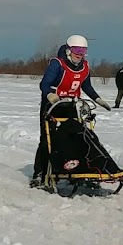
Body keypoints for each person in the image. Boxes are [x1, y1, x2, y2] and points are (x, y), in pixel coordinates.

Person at [31, 34, 112, 188]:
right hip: (52, 104)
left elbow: (86, 86)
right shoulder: (57, 64)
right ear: (69, 50)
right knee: (48, 139)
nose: (79, 54)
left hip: (72, 105)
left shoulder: (85, 66)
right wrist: (50, 94)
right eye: (76, 50)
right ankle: (40, 172)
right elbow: (44, 84)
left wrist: (97, 99)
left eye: (83, 51)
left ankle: (75, 170)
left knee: (77, 136)